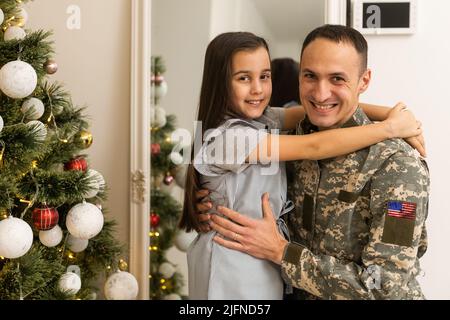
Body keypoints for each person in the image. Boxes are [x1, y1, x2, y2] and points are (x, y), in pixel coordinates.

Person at [180, 31, 424, 300]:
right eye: (310, 76)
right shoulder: (287, 143)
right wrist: (206, 200)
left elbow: (384, 287)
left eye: (337, 78)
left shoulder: (398, 166)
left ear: (363, 80)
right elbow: (312, 146)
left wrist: (281, 252)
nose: (320, 93)